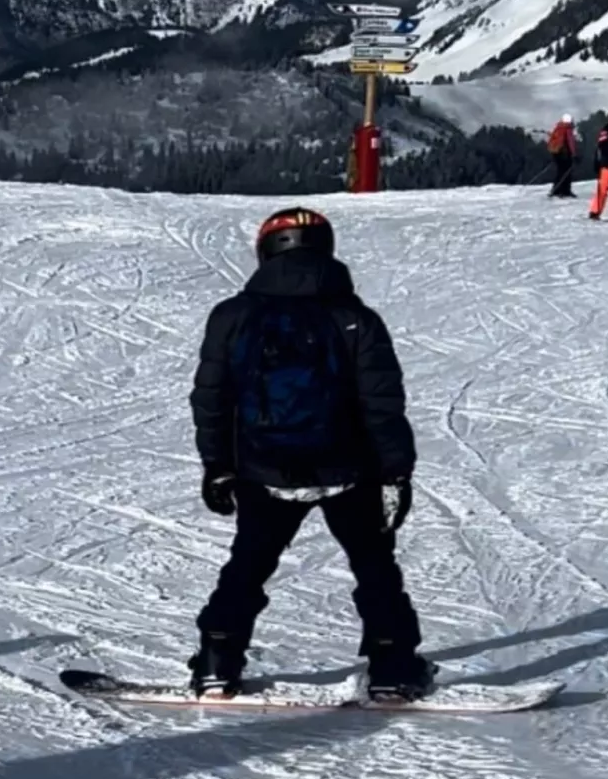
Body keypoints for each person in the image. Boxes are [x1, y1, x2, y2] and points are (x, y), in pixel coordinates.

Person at [186, 206, 435, 700]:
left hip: (263, 469)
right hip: (349, 470)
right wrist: (396, 474)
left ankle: (218, 660)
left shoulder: (233, 316)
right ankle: (392, 667)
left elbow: (212, 397)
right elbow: (382, 404)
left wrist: (217, 465)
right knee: (373, 565)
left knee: (248, 566)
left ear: (265, 252)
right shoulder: (355, 318)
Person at [546, 113, 578, 198]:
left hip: (557, 153)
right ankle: (564, 191)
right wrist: (573, 154)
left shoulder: (558, 128)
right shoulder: (567, 129)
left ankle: (557, 190)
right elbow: (570, 143)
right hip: (564, 154)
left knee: (561, 172)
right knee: (566, 172)